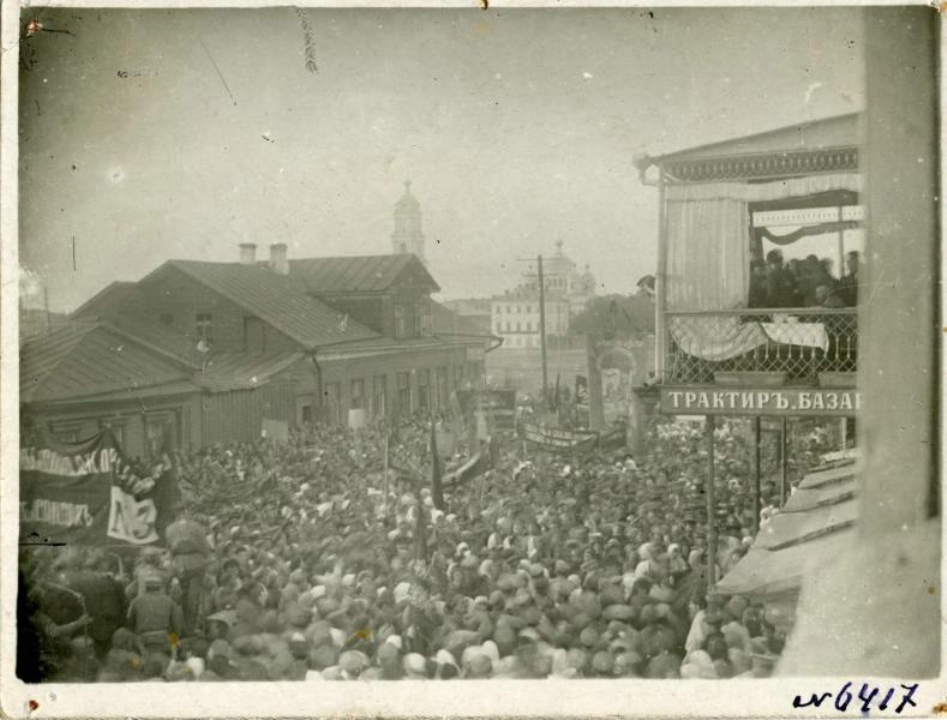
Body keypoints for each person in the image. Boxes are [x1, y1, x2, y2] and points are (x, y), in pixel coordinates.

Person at [127, 571, 184, 655]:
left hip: (143, 641)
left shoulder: (136, 601)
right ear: (160, 587)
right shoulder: (169, 601)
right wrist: (175, 643)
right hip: (164, 640)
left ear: (146, 587)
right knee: (178, 652)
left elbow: (129, 623)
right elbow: (176, 626)